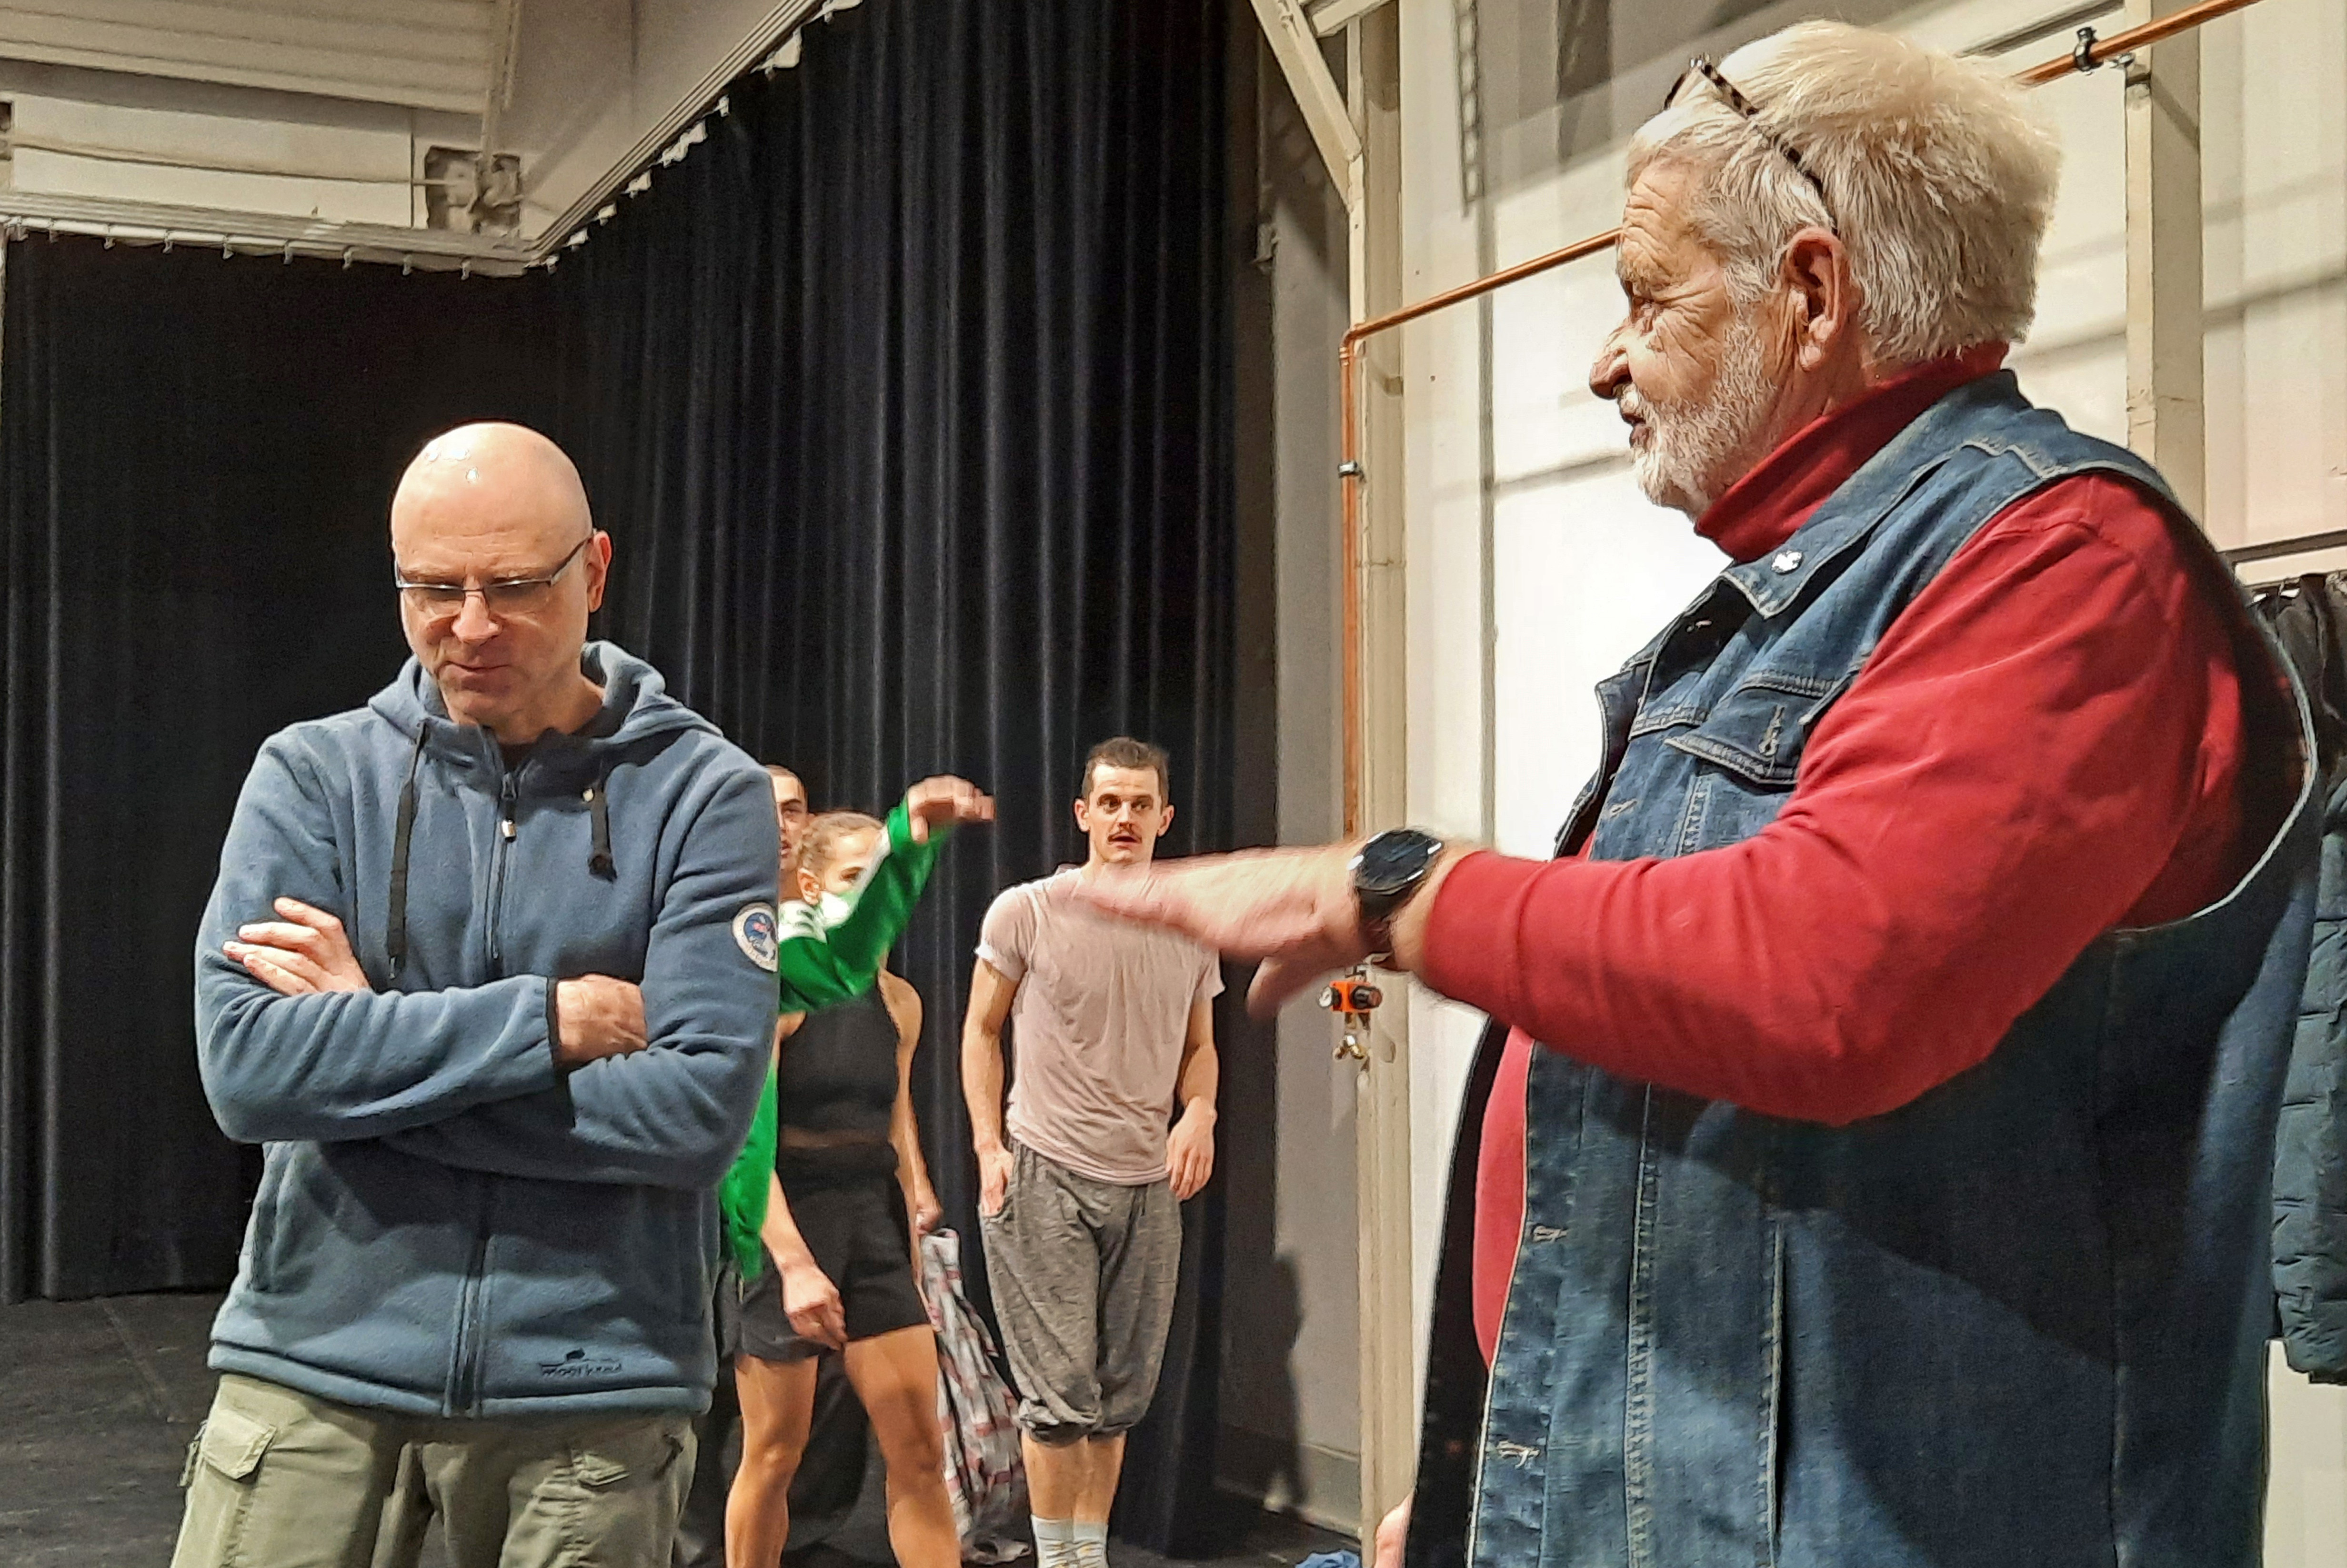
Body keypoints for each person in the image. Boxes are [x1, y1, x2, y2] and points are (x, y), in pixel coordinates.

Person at [1082, 23, 2317, 1568]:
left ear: (1811, 292)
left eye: (1645, 296)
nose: (1607, 362)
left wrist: (1396, 891)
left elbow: (1826, 977)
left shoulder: (2061, 561)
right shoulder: (1817, 597)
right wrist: (1513, 1489)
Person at [181, 422, 782, 1568]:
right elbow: (251, 1070)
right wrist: (547, 1021)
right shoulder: (313, 774)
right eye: (430, 588)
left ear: (593, 571)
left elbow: (696, 1113)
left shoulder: (706, 793)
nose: (468, 625)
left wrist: (364, 1052)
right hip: (312, 1369)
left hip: (591, 1394)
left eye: (511, 587)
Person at [962, 737, 1223, 1568]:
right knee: (1058, 1399)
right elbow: (981, 1030)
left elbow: (1200, 1047)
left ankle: (1088, 1554)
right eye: (1110, 803)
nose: (1124, 818)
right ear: (1083, 814)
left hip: (1146, 1183)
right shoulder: (1027, 911)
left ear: (1164, 818)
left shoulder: (1191, 925)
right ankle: (1058, 1560)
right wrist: (989, 1145)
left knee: (1118, 1399)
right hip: (1047, 1170)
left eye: (1140, 804)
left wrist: (1201, 1112)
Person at [725, 811, 956, 1568]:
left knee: (920, 1450)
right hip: (789, 1218)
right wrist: (793, 1264)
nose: (872, 897)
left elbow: (896, 1126)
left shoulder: (901, 1002)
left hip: (872, 1221)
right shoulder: (785, 991)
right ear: (811, 886)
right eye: (856, 879)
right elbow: (743, 1142)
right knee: (775, 1454)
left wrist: (911, 1238)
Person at [672, 761, 816, 1568]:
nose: (781, 825)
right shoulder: (709, 916)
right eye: (767, 810)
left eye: (794, 810)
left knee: (782, 1430)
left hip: (798, 1206)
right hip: (709, 1200)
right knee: (700, 1408)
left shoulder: (822, 942)